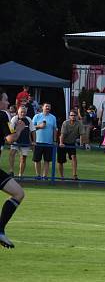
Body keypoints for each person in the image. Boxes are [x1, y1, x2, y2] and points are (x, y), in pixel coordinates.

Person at [0, 88, 26, 248]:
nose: (8, 102)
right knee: (18, 193)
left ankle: (0, 231)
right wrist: (20, 130)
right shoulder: (3, 115)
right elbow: (11, 138)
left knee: (18, 193)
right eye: (5, 99)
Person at [31, 102, 57, 180]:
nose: (47, 108)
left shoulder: (53, 117)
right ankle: (38, 175)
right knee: (37, 159)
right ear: (42, 107)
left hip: (48, 142)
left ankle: (45, 176)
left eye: (49, 107)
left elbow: (55, 129)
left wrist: (55, 140)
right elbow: (31, 128)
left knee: (47, 160)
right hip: (38, 141)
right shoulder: (37, 116)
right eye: (46, 106)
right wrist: (39, 126)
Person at [57, 110, 85, 180]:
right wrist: (61, 143)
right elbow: (62, 134)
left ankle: (74, 175)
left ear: (76, 116)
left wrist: (81, 144)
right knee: (61, 161)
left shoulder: (79, 123)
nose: (73, 117)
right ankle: (61, 177)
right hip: (63, 142)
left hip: (72, 142)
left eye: (74, 115)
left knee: (74, 157)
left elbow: (82, 134)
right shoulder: (65, 123)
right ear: (69, 116)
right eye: (71, 115)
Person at [9, 106, 32, 177]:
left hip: (25, 141)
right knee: (12, 153)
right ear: (18, 112)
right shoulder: (14, 118)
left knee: (23, 158)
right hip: (16, 141)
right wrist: (12, 137)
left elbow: (33, 130)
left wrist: (33, 141)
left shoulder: (28, 119)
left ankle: (20, 175)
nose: (23, 113)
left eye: (24, 112)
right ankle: (11, 171)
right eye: (21, 112)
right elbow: (10, 128)